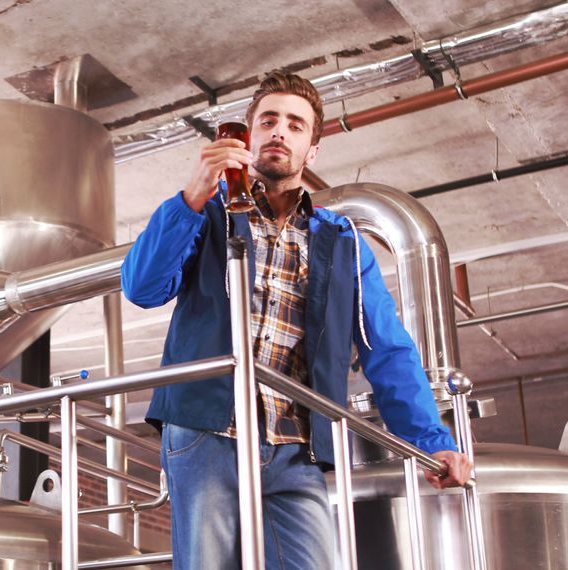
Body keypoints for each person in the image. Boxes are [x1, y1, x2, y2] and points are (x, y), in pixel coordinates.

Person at [120, 70, 473, 569]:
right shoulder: (209, 213)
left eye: (295, 124)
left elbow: (387, 349)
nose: (279, 131)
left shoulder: (342, 241)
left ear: (312, 151)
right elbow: (142, 287)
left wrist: (431, 442)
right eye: (268, 121)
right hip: (205, 432)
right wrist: (193, 193)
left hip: (297, 447)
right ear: (249, 136)